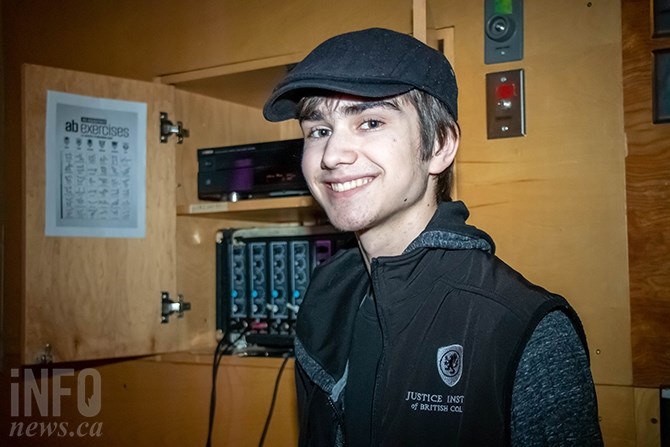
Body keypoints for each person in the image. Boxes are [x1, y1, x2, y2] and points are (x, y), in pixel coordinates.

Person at [263, 27, 603, 447]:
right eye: (318, 131)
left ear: (440, 145)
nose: (332, 155)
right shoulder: (324, 297)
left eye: (370, 122)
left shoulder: (521, 327)